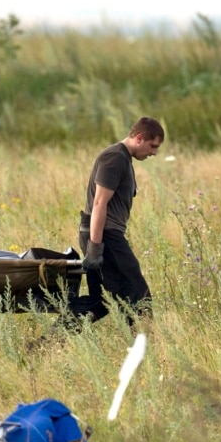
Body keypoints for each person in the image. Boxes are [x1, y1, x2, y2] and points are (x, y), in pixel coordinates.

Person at [68, 116, 164, 326]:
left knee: (99, 300)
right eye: (152, 146)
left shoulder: (124, 159)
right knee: (137, 294)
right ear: (139, 138)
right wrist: (95, 247)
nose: (154, 152)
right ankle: (143, 346)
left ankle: (45, 345)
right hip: (104, 235)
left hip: (103, 233)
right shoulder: (114, 158)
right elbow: (99, 204)